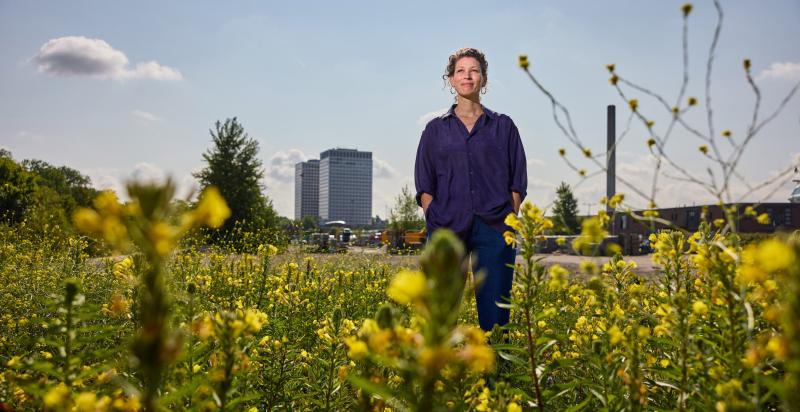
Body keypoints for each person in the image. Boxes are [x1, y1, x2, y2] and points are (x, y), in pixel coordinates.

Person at [414, 47, 528, 332]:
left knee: (496, 320)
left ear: (484, 79)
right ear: (450, 79)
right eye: (460, 71)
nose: (467, 76)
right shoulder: (434, 130)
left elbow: (518, 179)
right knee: (439, 315)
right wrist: (434, 215)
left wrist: (507, 217)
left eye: (474, 71)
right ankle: (439, 376)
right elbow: (424, 182)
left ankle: (497, 376)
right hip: (446, 230)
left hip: (494, 230)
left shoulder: (504, 126)